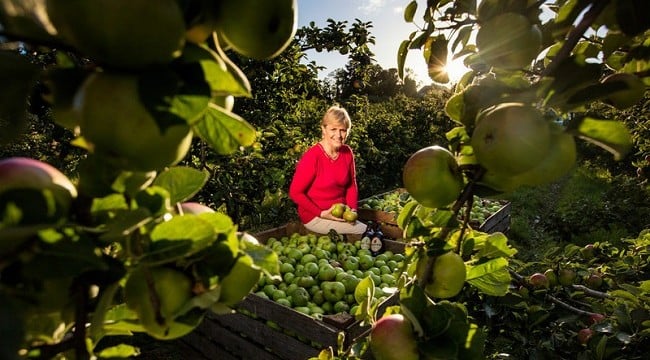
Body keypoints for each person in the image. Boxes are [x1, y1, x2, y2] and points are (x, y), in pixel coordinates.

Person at [289, 105, 367, 236]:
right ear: (323, 129)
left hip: (341, 214)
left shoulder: (347, 152)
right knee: (364, 231)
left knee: (367, 229)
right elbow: (295, 193)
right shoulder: (313, 157)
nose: (338, 135)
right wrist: (321, 213)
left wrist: (352, 210)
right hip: (315, 216)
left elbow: (351, 185)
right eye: (333, 129)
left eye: (343, 130)